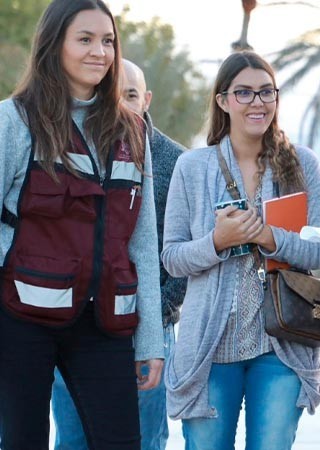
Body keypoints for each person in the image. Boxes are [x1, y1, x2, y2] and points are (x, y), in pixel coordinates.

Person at [0, 0, 164, 448]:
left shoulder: (132, 131)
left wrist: (151, 340)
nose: (100, 52)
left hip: (104, 320)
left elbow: (143, 242)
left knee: (122, 441)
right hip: (21, 317)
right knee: (23, 440)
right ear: (56, 46)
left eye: (108, 41)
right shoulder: (14, 120)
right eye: (85, 40)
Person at [161, 50, 320, 450]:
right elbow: (172, 257)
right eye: (244, 93)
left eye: (266, 92)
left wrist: (271, 238)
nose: (258, 103)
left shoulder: (302, 164)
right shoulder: (193, 167)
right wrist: (217, 243)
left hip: (282, 345)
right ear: (222, 101)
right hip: (209, 349)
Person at [50, 59, 187, 450]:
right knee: (73, 435)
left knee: (145, 437)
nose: (123, 104)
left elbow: (180, 244)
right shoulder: (76, 151)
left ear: (146, 99)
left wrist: (161, 309)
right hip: (79, 316)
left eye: (131, 95)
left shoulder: (174, 162)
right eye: (116, 95)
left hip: (149, 322)